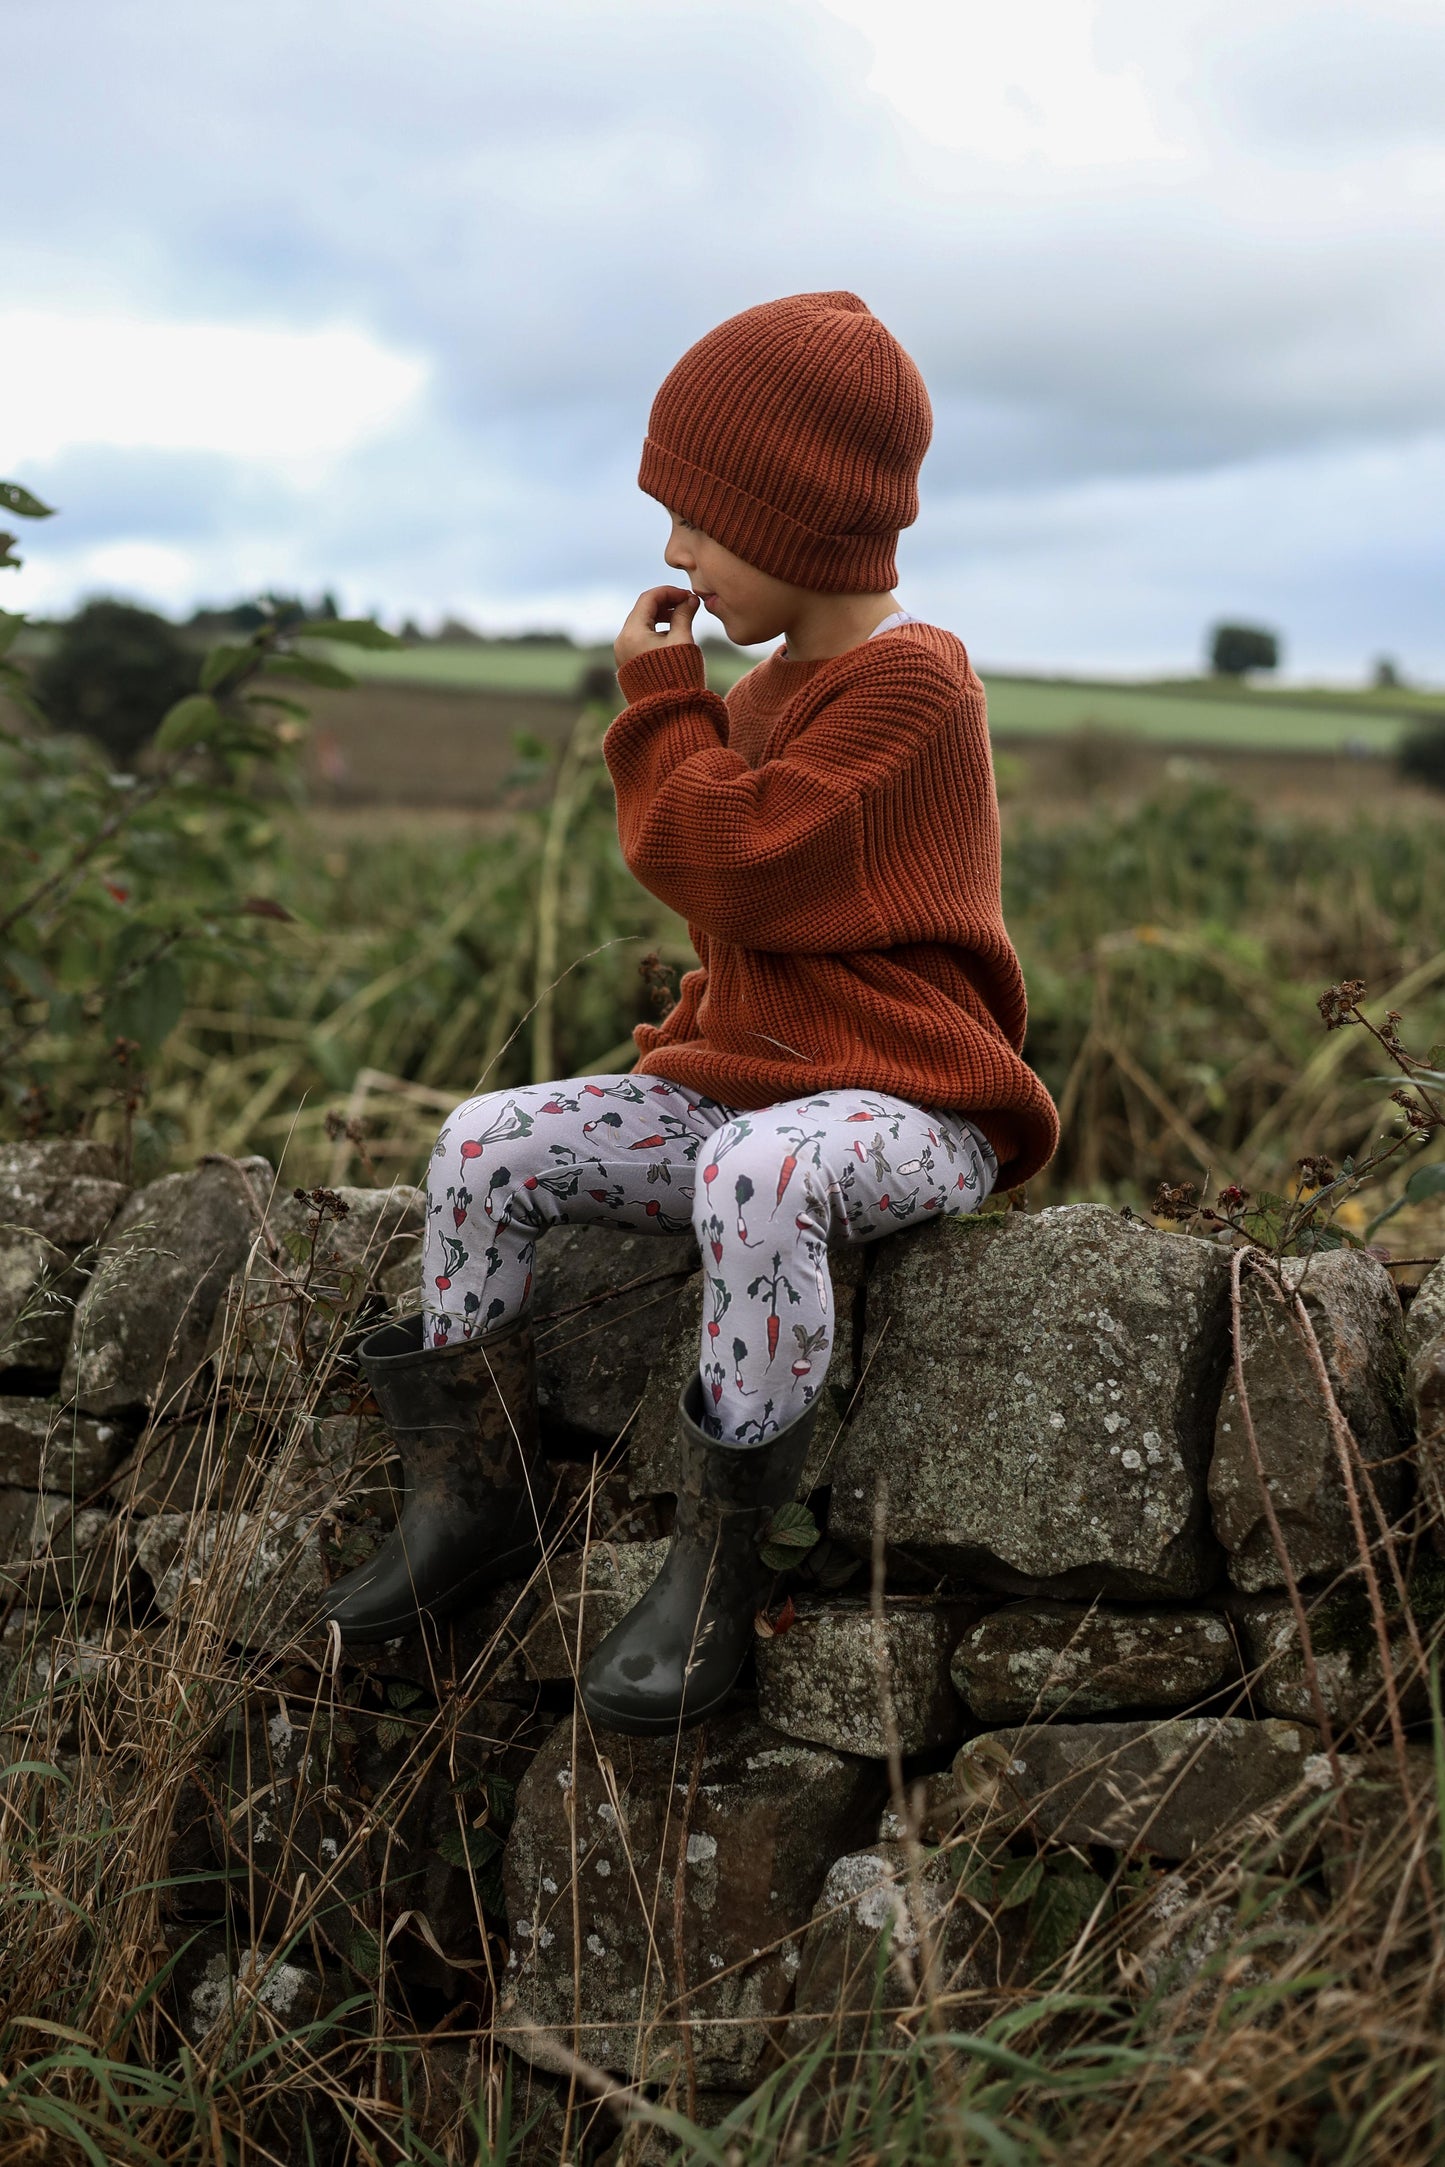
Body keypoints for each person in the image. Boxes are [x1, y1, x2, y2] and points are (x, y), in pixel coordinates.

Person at [317, 291, 1060, 1735]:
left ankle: (718, 1562)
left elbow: (725, 856)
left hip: (907, 1107)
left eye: (701, 521)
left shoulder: (915, 686)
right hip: (747, 1087)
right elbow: (709, 858)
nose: (675, 555)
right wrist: (699, 709)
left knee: (758, 1172)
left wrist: (663, 700)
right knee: (482, 1145)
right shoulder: (768, 690)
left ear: (804, 519)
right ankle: (473, 1494)